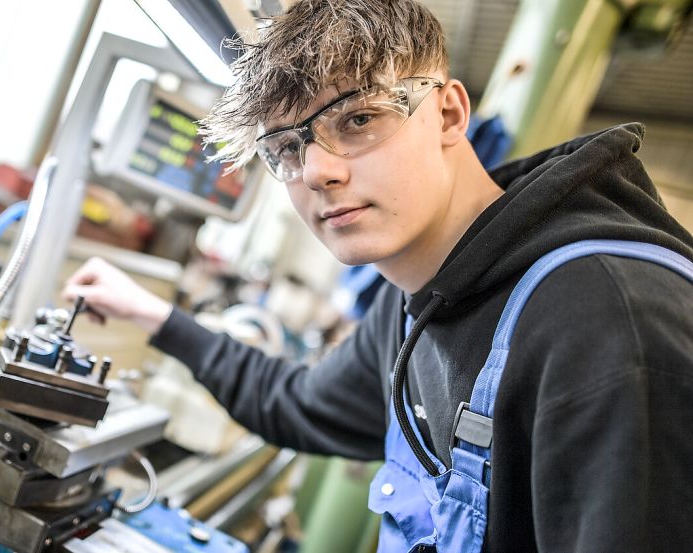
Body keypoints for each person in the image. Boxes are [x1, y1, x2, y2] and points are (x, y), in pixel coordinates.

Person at [63, 0, 693, 550]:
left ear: (447, 114)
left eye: (357, 119)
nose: (317, 172)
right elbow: (300, 405)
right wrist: (155, 317)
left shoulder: (607, 323)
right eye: (287, 148)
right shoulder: (420, 298)